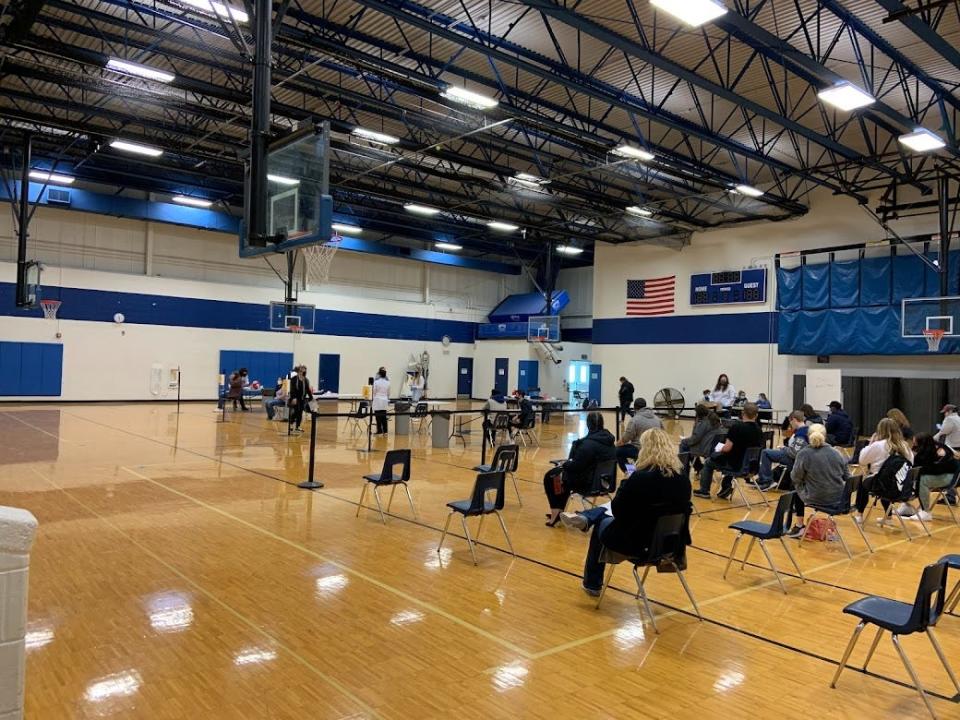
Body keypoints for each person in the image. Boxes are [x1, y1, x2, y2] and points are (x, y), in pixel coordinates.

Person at [559, 428, 692, 595]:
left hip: (640, 544)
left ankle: (592, 583)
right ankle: (587, 518)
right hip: (670, 545)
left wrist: (626, 484)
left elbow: (618, 510)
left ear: (645, 449)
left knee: (604, 521)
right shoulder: (683, 479)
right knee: (607, 515)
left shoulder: (640, 478)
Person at [543, 412, 616, 526]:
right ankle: (559, 511)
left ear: (588, 425)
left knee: (552, 476)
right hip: (604, 483)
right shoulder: (610, 442)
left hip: (588, 484)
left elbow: (576, 466)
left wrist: (564, 464)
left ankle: (556, 512)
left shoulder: (588, 444)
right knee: (561, 476)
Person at [784, 424, 849, 538]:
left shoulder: (804, 453)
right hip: (840, 499)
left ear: (808, 436)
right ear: (825, 436)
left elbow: (795, 477)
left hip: (817, 498)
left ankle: (799, 525)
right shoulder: (837, 452)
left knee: (795, 485)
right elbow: (847, 477)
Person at [694, 402, 763, 500]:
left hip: (737, 466)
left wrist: (720, 448)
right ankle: (725, 487)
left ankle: (704, 491)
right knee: (728, 458)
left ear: (743, 413)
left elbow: (727, 448)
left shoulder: (736, 427)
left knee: (709, 462)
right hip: (752, 467)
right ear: (756, 415)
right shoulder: (759, 430)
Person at [853, 418, 914, 522]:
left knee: (863, 482)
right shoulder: (904, 446)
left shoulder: (878, 445)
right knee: (886, 478)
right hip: (902, 486)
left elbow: (862, 460)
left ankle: (859, 514)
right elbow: (911, 463)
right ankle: (888, 517)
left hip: (884, 486)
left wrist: (871, 443)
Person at [897, 433, 958, 523]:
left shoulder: (926, 454)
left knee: (922, 480)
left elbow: (929, 469)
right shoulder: (940, 446)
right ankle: (907, 505)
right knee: (916, 478)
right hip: (954, 475)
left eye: (915, 444)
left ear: (922, 444)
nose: (914, 446)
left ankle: (925, 512)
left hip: (951, 477)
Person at [755, 411, 808, 490]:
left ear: (793, 420)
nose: (790, 425)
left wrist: (784, 448)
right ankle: (764, 478)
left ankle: (766, 481)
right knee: (768, 452)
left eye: (790, 422)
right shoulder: (806, 429)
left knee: (765, 452)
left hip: (794, 460)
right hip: (798, 458)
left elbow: (794, 453)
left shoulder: (801, 434)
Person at [615, 398, 662, 471]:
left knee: (618, 451)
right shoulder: (657, 419)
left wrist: (616, 445)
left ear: (634, 408)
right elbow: (663, 434)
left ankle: (631, 472)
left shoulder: (635, 420)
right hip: (655, 450)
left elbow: (625, 439)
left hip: (640, 450)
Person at [680, 406, 722, 480]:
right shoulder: (715, 420)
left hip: (704, 448)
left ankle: (684, 470)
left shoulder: (704, 422)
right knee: (688, 447)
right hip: (712, 447)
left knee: (684, 444)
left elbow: (696, 438)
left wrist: (685, 440)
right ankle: (699, 467)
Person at [288, 365, 313, 433]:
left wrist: (311, 397)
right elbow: (292, 389)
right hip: (295, 398)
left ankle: (298, 427)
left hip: (302, 399)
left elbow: (307, 389)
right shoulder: (294, 379)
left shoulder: (305, 379)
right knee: (296, 412)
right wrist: (294, 398)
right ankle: (291, 424)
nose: (303, 372)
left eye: (304, 370)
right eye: (302, 370)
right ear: (299, 371)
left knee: (300, 412)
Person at [372, 369, 390, 434]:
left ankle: (379, 430)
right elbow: (388, 393)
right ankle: (385, 431)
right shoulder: (388, 382)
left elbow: (374, 392)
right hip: (385, 400)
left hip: (377, 400)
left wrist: (374, 399)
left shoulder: (376, 382)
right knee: (384, 416)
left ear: (379, 374)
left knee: (378, 416)